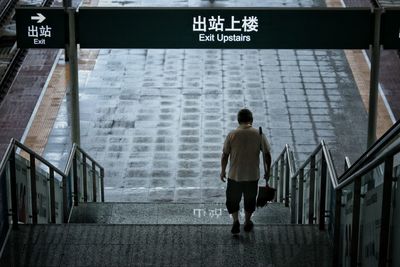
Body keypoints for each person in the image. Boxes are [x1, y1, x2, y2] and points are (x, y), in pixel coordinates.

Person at [220, 108, 271, 234]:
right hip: (252, 175)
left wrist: (222, 171)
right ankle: (247, 222)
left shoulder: (232, 134)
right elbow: (267, 155)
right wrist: (268, 170)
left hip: (234, 175)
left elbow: (225, 155)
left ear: (238, 121)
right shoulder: (259, 135)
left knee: (232, 200)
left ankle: (235, 221)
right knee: (250, 200)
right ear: (251, 120)